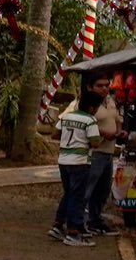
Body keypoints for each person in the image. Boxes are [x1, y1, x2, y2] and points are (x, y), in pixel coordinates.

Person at [51, 90, 97, 245]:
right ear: (92, 108)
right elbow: (95, 142)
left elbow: (54, 134)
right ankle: (73, 231)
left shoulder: (66, 117)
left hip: (64, 160)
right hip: (80, 161)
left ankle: (58, 224)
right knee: (77, 196)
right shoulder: (90, 120)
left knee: (69, 193)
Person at [85, 75, 124, 235]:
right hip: (94, 152)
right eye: (99, 85)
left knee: (103, 190)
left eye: (107, 85)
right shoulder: (84, 103)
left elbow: (117, 119)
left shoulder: (110, 101)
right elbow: (83, 122)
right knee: (88, 188)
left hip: (109, 152)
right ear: (90, 87)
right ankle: (78, 222)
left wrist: (119, 131)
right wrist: (103, 133)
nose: (104, 88)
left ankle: (95, 221)